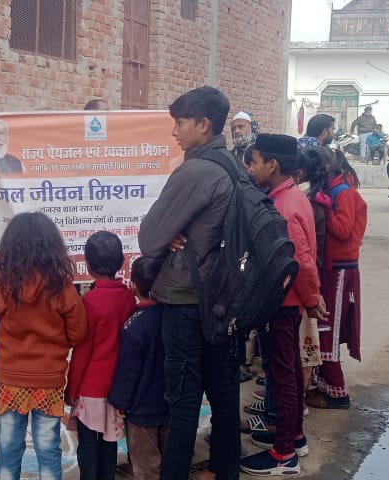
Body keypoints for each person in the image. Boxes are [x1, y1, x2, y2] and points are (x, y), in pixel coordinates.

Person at [138, 85, 240, 480]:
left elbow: (150, 238)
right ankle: (224, 469)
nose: (174, 131)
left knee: (182, 400)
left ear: (203, 124)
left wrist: (170, 234)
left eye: (180, 123)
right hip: (221, 296)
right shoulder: (232, 164)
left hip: (185, 299)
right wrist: (175, 232)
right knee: (222, 392)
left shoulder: (196, 171)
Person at [240, 134, 325, 476]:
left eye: (255, 161)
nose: (251, 168)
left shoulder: (284, 207)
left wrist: (312, 298)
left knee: (283, 376)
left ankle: (284, 454)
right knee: (287, 371)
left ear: (272, 165)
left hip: (282, 301)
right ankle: (294, 436)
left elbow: (300, 260)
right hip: (286, 300)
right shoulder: (288, 196)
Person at [0, 212, 87, 480]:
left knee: (8, 447)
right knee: (48, 448)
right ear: (52, 247)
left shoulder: (4, 285)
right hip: (49, 379)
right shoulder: (62, 287)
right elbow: (78, 333)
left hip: (11, 378)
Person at [67, 231, 136, 480]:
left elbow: (82, 351)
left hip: (90, 388)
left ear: (87, 264)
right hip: (118, 387)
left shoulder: (90, 302)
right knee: (109, 442)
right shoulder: (128, 297)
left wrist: (72, 388)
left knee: (87, 444)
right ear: (121, 262)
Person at [307, 145, 367, 411]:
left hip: (341, 267)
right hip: (333, 265)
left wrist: (326, 209)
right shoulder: (335, 188)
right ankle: (323, 385)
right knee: (323, 325)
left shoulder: (343, 192)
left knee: (328, 328)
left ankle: (336, 392)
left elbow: (343, 230)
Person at [108, 256, 167, 480]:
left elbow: (127, 371)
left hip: (141, 410)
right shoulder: (174, 319)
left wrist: (119, 402)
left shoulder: (134, 326)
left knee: (146, 462)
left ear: (133, 286)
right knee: (168, 455)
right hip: (170, 402)